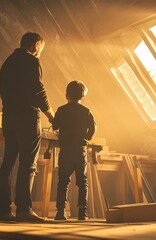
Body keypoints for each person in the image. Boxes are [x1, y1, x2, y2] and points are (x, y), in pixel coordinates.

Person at [0, 32, 54, 222]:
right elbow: (38, 89)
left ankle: (3, 211)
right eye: (41, 49)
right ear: (36, 44)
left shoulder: (7, 62)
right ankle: (23, 210)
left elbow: (2, 91)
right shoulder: (31, 61)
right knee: (28, 163)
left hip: (9, 116)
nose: (40, 53)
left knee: (8, 162)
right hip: (27, 116)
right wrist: (51, 115)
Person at [52, 80, 96, 220]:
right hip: (80, 149)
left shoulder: (61, 110)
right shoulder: (87, 111)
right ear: (83, 96)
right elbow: (93, 129)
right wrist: (86, 138)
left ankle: (60, 212)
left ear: (66, 95)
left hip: (65, 149)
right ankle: (83, 213)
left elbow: (54, 126)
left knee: (63, 181)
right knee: (82, 181)